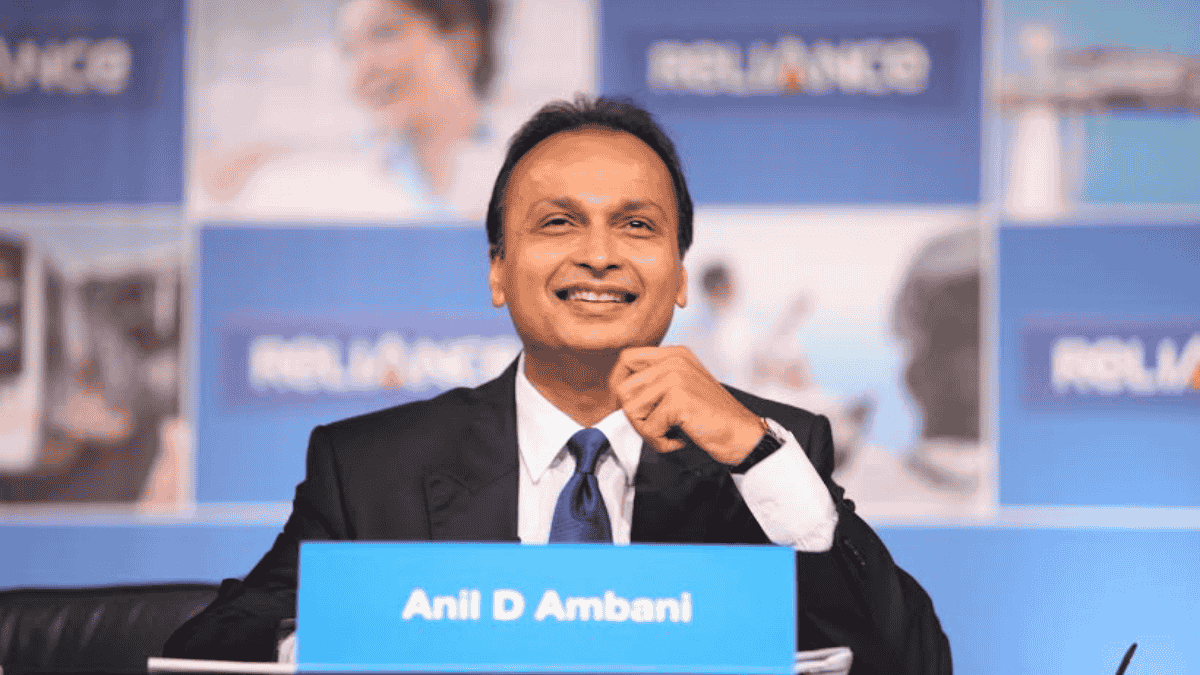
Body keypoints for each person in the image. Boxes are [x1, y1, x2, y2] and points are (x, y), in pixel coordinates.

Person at [165, 96, 951, 674]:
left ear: (680, 276)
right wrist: (372, 633)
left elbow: (912, 661)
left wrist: (757, 456)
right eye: (558, 222)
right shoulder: (372, 468)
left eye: (637, 225)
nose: (600, 254)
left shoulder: (770, 451)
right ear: (498, 270)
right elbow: (211, 648)